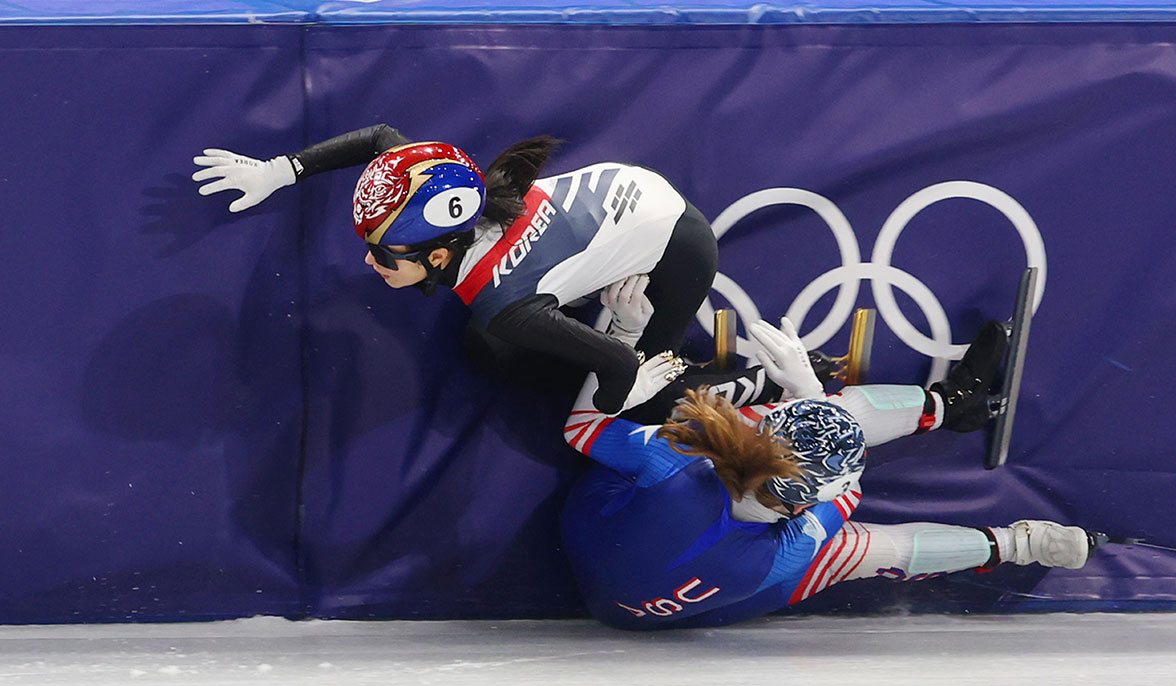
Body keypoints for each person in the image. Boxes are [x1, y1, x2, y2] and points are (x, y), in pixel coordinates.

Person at [560, 288, 1093, 630]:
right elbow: (848, 478)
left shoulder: (676, 459)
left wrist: (623, 335)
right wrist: (810, 388)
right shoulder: (781, 547)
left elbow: (580, 428)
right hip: (719, 591)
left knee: (830, 468)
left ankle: (1013, 538)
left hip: (619, 583)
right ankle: (996, 508)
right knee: (855, 545)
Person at [192, 125, 784, 416]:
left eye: (383, 255)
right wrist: (280, 170)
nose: (368, 262)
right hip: (628, 202)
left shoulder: (501, 299)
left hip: (675, 247)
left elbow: (618, 373)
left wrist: (625, 340)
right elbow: (379, 139)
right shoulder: (444, 195)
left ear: (439, 256)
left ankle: (762, 382)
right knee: (486, 348)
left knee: (646, 406)